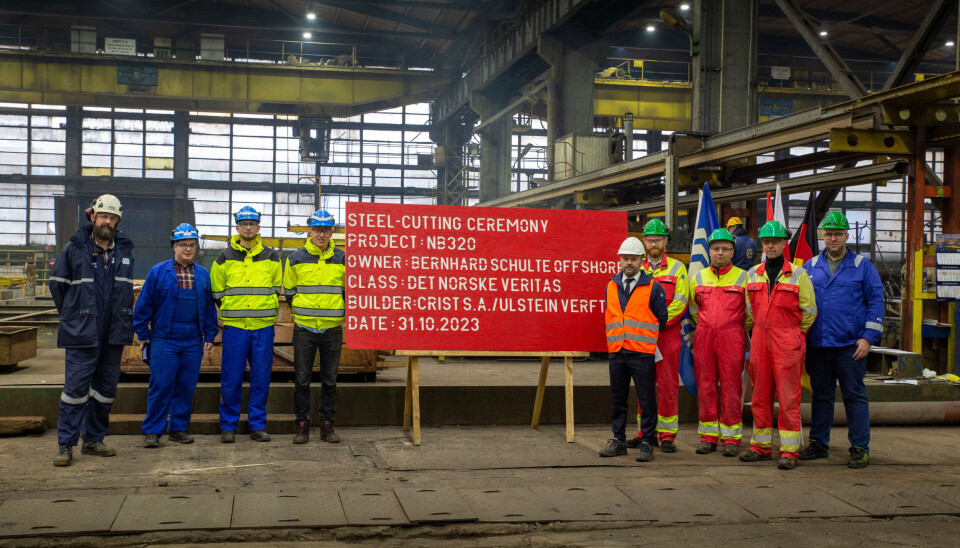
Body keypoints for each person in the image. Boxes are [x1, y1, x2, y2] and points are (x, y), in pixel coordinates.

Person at [49, 194, 135, 466]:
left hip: (112, 332)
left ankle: (93, 440)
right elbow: (57, 285)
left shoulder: (124, 250)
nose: (107, 221)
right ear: (92, 217)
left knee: (105, 390)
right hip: (82, 333)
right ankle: (65, 445)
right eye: (103, 216)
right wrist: (73, 316)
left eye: (112, 217)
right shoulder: (74, 248)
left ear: (117, 221)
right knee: (74, 390)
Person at [799, 211, 884, 469]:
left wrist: (868, 338)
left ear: (847, 236)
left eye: (837, 234)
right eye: (828, 234)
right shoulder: (809, 267)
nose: (833, 238)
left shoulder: (862, 266)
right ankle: (818, 444)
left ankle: (859, 447)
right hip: (818, 345)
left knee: (854, 395)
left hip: (850, 346)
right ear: (822, 236)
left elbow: (877, 302)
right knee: (821, 396)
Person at [740, 220, 817, 470]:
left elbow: (809, 311)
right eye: (766, 241)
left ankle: (788, 451)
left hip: (787, 342)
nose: (770, 245)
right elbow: (749, 311)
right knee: (760, 397)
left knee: (788, 398)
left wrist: (795, 334)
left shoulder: (798, 274)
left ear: (785, 243)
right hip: (761, 341)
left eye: (775, 241)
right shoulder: (752, 274)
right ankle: (761, 447)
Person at [134, 223, 219, 448]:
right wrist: (142, 332)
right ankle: (153, 431)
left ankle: (178, 429)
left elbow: (210, 308)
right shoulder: (158, 272)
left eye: (192, 245)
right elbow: (143, 305)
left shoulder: (202, 275)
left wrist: (210, 334)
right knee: (161, 385)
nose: (188, 249)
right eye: (183, 245)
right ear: (174, 246)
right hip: (164, 340)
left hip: (193, 341)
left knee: (185, 386)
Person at [212, 206, 282, 443]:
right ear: (237, 228)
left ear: (259, 227)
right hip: (236, 329)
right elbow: (217, 293)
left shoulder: (272, 257)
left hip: (263, 327)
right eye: (244, 224)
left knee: (261, 378)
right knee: (231, 377)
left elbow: (275, 287)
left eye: (252, 223)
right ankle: (228, 426)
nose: (248, 227)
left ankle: (257, 426)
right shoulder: (223, 258)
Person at [599, 237, 668, 463]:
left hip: (642, 352)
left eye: (634, 259)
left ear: (642, 260)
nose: (629, 263)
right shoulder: (611, 285)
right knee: (617, 397)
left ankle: (647, 441)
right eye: (626, 258)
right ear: (620, 260)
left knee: (646, 398)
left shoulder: (653, 287)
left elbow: (662, 317)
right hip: (617, 351)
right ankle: (618, 439)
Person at [689, 228, 752, 457]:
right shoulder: (697, 277)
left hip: (732, 337)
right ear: (710, 251)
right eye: (716, 248)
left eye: (725, 249)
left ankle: (731, 438)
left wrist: (734, 328)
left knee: (731, 387)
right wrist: (709, 326)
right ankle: (707, 437)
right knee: (705, 387)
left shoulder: (744, 277)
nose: (720, 253)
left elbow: (750, 313)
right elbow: (694, 308)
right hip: (704, 337)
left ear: (733, 252)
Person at [283, 209, 346, 444]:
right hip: (305, 329)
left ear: (332, 232)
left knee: (330, 380)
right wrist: (301, 309)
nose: (321, 234)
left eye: (326, 230)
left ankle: (327, 425)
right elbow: (289, 291)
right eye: (318, 230)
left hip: (332, 328)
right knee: (302, 380)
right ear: (309, 231)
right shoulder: (295, 258)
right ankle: (302, 425)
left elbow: (347, 290)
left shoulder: (342, 258)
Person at [626, 219, 688, 453]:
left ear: (665, 242)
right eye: (650, 240)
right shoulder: (635, 268)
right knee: (644, 386)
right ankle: (646, 433)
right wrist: (645, 326)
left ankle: (667, 435)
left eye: (658, 240)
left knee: (668, 385)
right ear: (644, 242)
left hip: (667, 335)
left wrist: (657, 323)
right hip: (642, 337)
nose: (654, 243)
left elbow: (681, 301)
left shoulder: (677, 268)